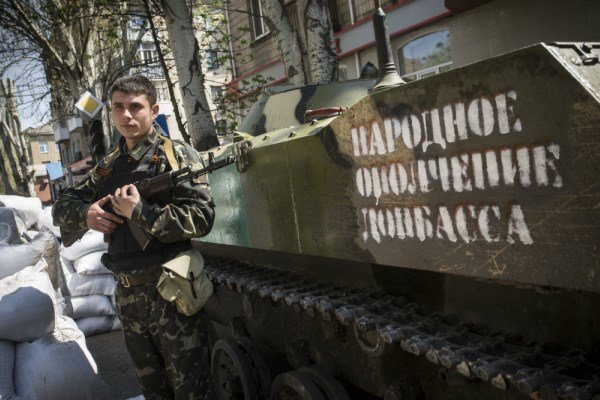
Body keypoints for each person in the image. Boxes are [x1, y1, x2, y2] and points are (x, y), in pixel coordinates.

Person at [52, 75, 215, 400]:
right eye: (118, 107)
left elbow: (202, 217)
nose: (126, 115)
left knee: (193, 390)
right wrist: (86, 215)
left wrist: (140, 213)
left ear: (153, 110)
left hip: (170, 292)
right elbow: (61, 207)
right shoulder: (108, 166)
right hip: (127, 296)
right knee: (152, 391)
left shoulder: (176, 155)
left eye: (135, 107)